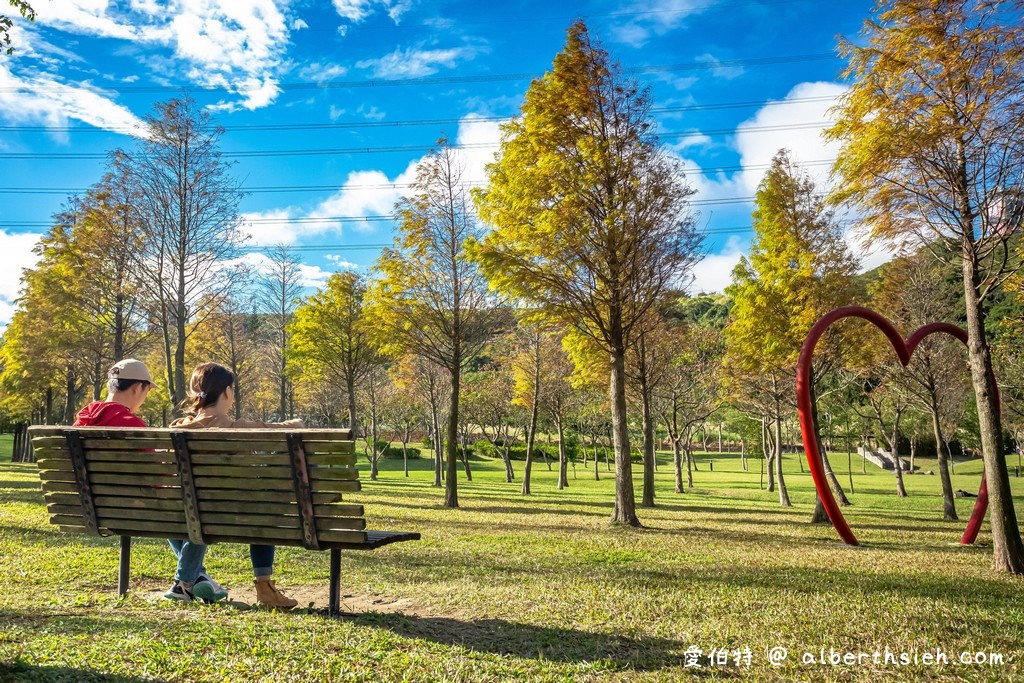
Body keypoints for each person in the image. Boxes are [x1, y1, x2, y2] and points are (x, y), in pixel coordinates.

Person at [74, 359, 228, 605]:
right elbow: (156, 476)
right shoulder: (132, 425)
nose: (144, 397)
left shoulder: (81, 422)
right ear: (137, 388)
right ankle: (186, 581)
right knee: (198, 504)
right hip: (139, 510)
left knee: (179, 509)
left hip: (96, 508)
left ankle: (197, 578)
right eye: (146, 390)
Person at [171, 361, 304, 609]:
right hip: (237, 516)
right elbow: (285, 429)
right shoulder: (237, 428)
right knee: (264, 506)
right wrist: (296, 422)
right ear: (227, 392)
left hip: (185, 515)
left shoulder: (177, 429)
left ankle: (193, 576)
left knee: (180, 514)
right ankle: (264, 587)